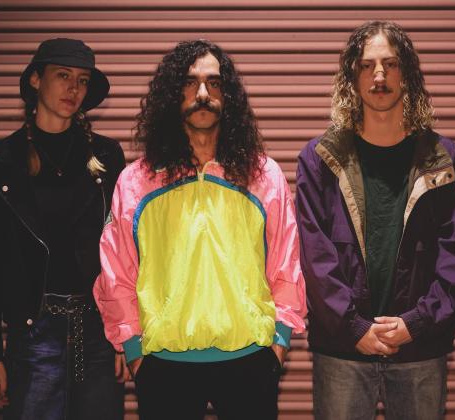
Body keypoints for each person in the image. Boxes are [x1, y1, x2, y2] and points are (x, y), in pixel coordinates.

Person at [93, 39, 307, 420]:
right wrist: (134, 351)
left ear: (230, 96)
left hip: (251, 360)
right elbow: (117, 273)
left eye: (214, 83)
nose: (203, 94)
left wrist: (279, 343)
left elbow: (286, 264)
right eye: (190, 84)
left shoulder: (263, 176)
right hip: (163, 366)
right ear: (172, 96)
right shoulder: (136, 182)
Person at [296, 21, 455, 419]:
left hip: (419, 349)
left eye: (391, 65)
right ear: (352, 77)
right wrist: (353, 328)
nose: (379, 76)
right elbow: (314, 255)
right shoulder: (320, 158)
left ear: (406, 73)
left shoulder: (445, 160)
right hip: (343, 349)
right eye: (367, 66)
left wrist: (417, 323)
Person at [0, 38, 127, 419]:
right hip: (33, 331)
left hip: (96, 331)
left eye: (83, 80)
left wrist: (125, 334)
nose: (74, 88)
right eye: (63, 76)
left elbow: (123, 251)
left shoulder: (106, 157)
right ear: (36, 81)